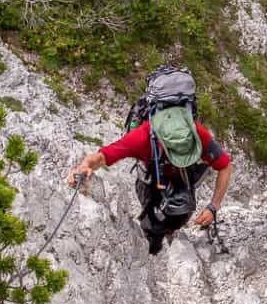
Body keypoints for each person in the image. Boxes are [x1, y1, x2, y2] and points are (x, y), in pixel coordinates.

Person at [69, 106, 231, 255]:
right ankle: (153, 244)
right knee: (151, 223)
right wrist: (85, 165)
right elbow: (103, 156)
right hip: (151, 176)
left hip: (182, 175)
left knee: (181, 211)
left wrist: (213, 206)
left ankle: (170, 232)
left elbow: (224, 166)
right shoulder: (142, 137)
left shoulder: (197, 134)